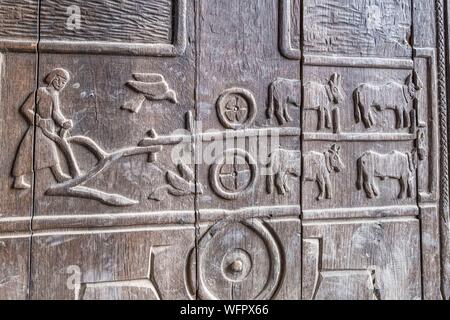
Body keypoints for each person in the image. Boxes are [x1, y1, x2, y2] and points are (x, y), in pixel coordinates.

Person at [12, 68, 73, 189]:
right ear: (53, 78)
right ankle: (18, 180)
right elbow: (25, 108)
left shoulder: (55, 94)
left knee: (51, 151)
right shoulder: (40, 91)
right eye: (60, 81)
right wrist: (38, 120)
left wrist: (63, 122)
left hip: (48, 127)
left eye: (64, 83)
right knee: (27, 153)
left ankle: (58, 175)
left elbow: (56, 112)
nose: (61, 85)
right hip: (37, 128)